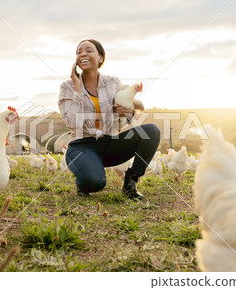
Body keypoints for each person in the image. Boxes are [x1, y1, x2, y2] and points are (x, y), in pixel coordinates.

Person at [58, 39, 160, 199]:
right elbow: (73, 122)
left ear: (100, 57)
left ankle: (131, 182)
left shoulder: (113, 83)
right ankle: (85, 178)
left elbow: (127, 118)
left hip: (110, 143)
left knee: (152, 131)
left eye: (89, 50)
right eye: (79, 52)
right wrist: (77, 89)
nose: (83, 54)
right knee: (94, 183)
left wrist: (127, 113)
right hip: (82, 146)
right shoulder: (67, 87)